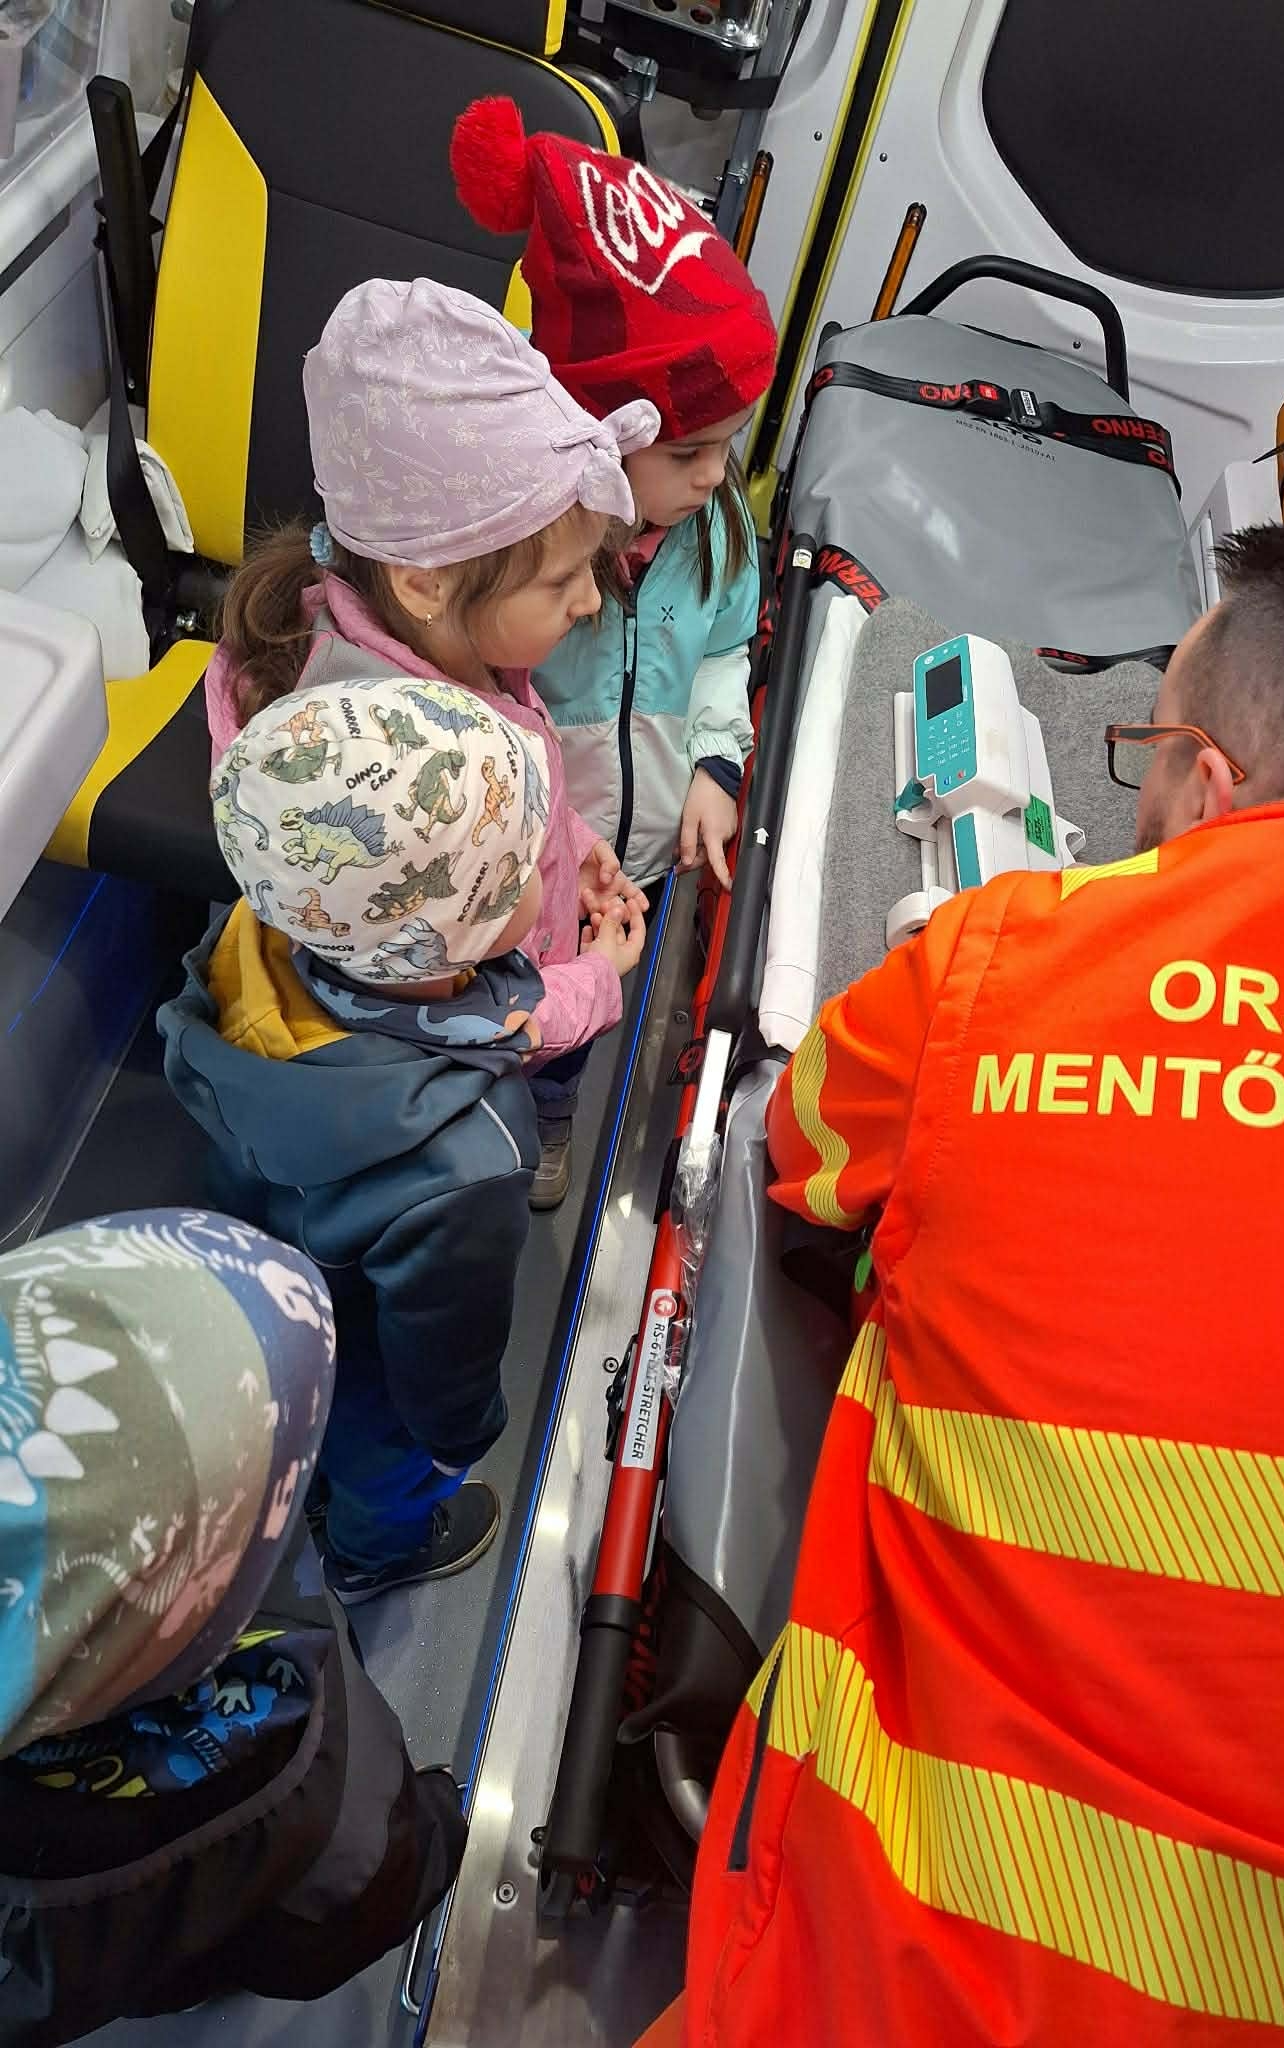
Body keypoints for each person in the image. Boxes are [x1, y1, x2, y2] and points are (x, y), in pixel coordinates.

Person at [673, 519, 1284, 2046]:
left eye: (1146, 748)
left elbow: (796, 1150)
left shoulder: (1007, 962)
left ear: (1212, 785)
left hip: (904, 1981)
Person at [164, 675, 643, 1606]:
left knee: (316, 1426)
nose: (539, 875)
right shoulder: (468, 1151)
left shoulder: (257, 937)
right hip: (376, 1370)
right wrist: (459, 1437)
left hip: (267, 1290)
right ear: (449, 936)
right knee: (388, 1465)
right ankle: (372, 1557)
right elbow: (445, 1341)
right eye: (520, 871)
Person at [204, 275, 656, 1208]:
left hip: (514, 923)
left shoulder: (443, 645)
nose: (589, 601)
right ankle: (536, 1144)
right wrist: (596, 980)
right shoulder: (392, 766)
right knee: (532, 1093)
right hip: (504, 1007)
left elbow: (491, 837)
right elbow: (476, 1016)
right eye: (564, 580)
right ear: (424, 583)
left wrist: (568, 844)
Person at [0, 1209, 466, 2042]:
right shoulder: (307, 1782)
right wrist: (440, 1828)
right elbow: (376, 1885)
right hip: (279, 1890)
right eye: (275, 1493)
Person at [450, 100, 777, 1177]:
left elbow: (725, 649)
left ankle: (549, 1123)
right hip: (531, 862)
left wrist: (715, 766)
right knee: (501, 1008)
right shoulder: (525, 563)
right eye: (687, 452)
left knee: (575, 1027)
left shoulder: (716, 531)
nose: (715, 477)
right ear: (596, 429)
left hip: (630, 867)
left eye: (729, 445)